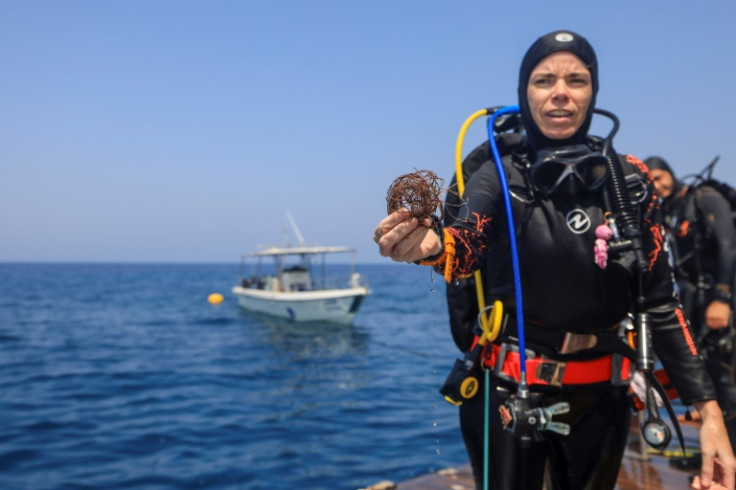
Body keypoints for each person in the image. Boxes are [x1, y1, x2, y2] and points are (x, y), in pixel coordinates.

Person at [374, 30, 735, 489]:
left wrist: (709, 413)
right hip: (510, 391)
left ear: (593, 92)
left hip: (604, 395)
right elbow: (465, 244)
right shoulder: (497, 173)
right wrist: (430, 247)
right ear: (525, 93)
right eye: (544, 80)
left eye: (576, 80)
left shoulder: (629, 181)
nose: (561, 91)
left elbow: (661, 303)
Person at [646, 155, 736, 452]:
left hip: (720, 302)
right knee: (710, 375)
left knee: (726, 380)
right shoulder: (670, 211)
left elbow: (728, 246)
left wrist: (721, 299)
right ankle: (717, 452)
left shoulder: (704, 198)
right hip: (697, 305)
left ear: (671, 173)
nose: (657, 185)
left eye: (660, 177)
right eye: (651, 181)